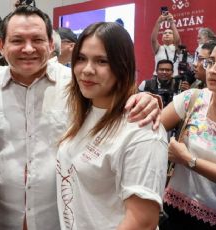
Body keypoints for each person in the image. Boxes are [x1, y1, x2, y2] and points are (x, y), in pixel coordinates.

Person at [0, 5, 161, 230]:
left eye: (37, 40)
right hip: (3, 221)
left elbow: (117, 103)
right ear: (2, 45)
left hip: (60, 221)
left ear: (51, 44)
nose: (28, 48)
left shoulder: (78, 85)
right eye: (17, 40)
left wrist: (148, 98)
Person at [56, 22, 167, 230]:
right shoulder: (82, 111)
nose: (87, 70)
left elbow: (142, 222)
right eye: (81, 59)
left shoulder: (141, 128)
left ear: (121, 65)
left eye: (101, 61)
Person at [159, 44, 216, 230]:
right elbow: (152, 127)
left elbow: (185, 158)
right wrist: (147, 102)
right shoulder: (194, 98)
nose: (213, 70)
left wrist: (188, 159)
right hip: (174, 210)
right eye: (212, 62)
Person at [151, 11, 181, 76]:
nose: (167, 34)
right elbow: (153, 40)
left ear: (174, 37)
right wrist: (158, 22)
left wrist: (171, 22)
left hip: (173, 79)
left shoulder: (177, 48)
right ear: (162, 38)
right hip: (157, 79)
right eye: (165, 33)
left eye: (170, 33)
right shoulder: (158, 48)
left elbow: (177, 40)